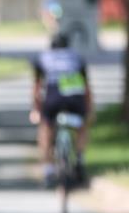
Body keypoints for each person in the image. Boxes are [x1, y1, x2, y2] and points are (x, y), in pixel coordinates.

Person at [30, 32, 94, 188]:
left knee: (46, 128)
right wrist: (90, 110)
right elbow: (86, 88)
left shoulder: (44, 58)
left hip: (53, 98)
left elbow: (37, 88)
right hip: (75, 98)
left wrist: (36, 109)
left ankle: (48, 170)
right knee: (81, 125)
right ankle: (79, 160)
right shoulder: (76, 58)